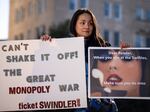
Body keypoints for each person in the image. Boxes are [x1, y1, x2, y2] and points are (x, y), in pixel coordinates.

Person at [41, 8, 120, 112]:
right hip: (75, 106)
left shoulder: (104, 47)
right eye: (82, 23)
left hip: (102, 106)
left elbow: (117, 75)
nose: (87, 26)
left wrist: (127, 55)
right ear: (75, 25)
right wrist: (46, 45)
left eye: (90, 23)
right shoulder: (63, 48)